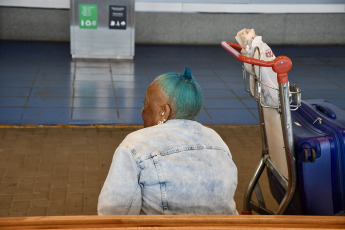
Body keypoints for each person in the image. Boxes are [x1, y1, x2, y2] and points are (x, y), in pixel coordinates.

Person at [97, 67, 238, 215]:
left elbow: (115, 213)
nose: (142, 111)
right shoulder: (216, 140)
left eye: (146, 104)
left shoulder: (135, 145)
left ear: (164, 111)